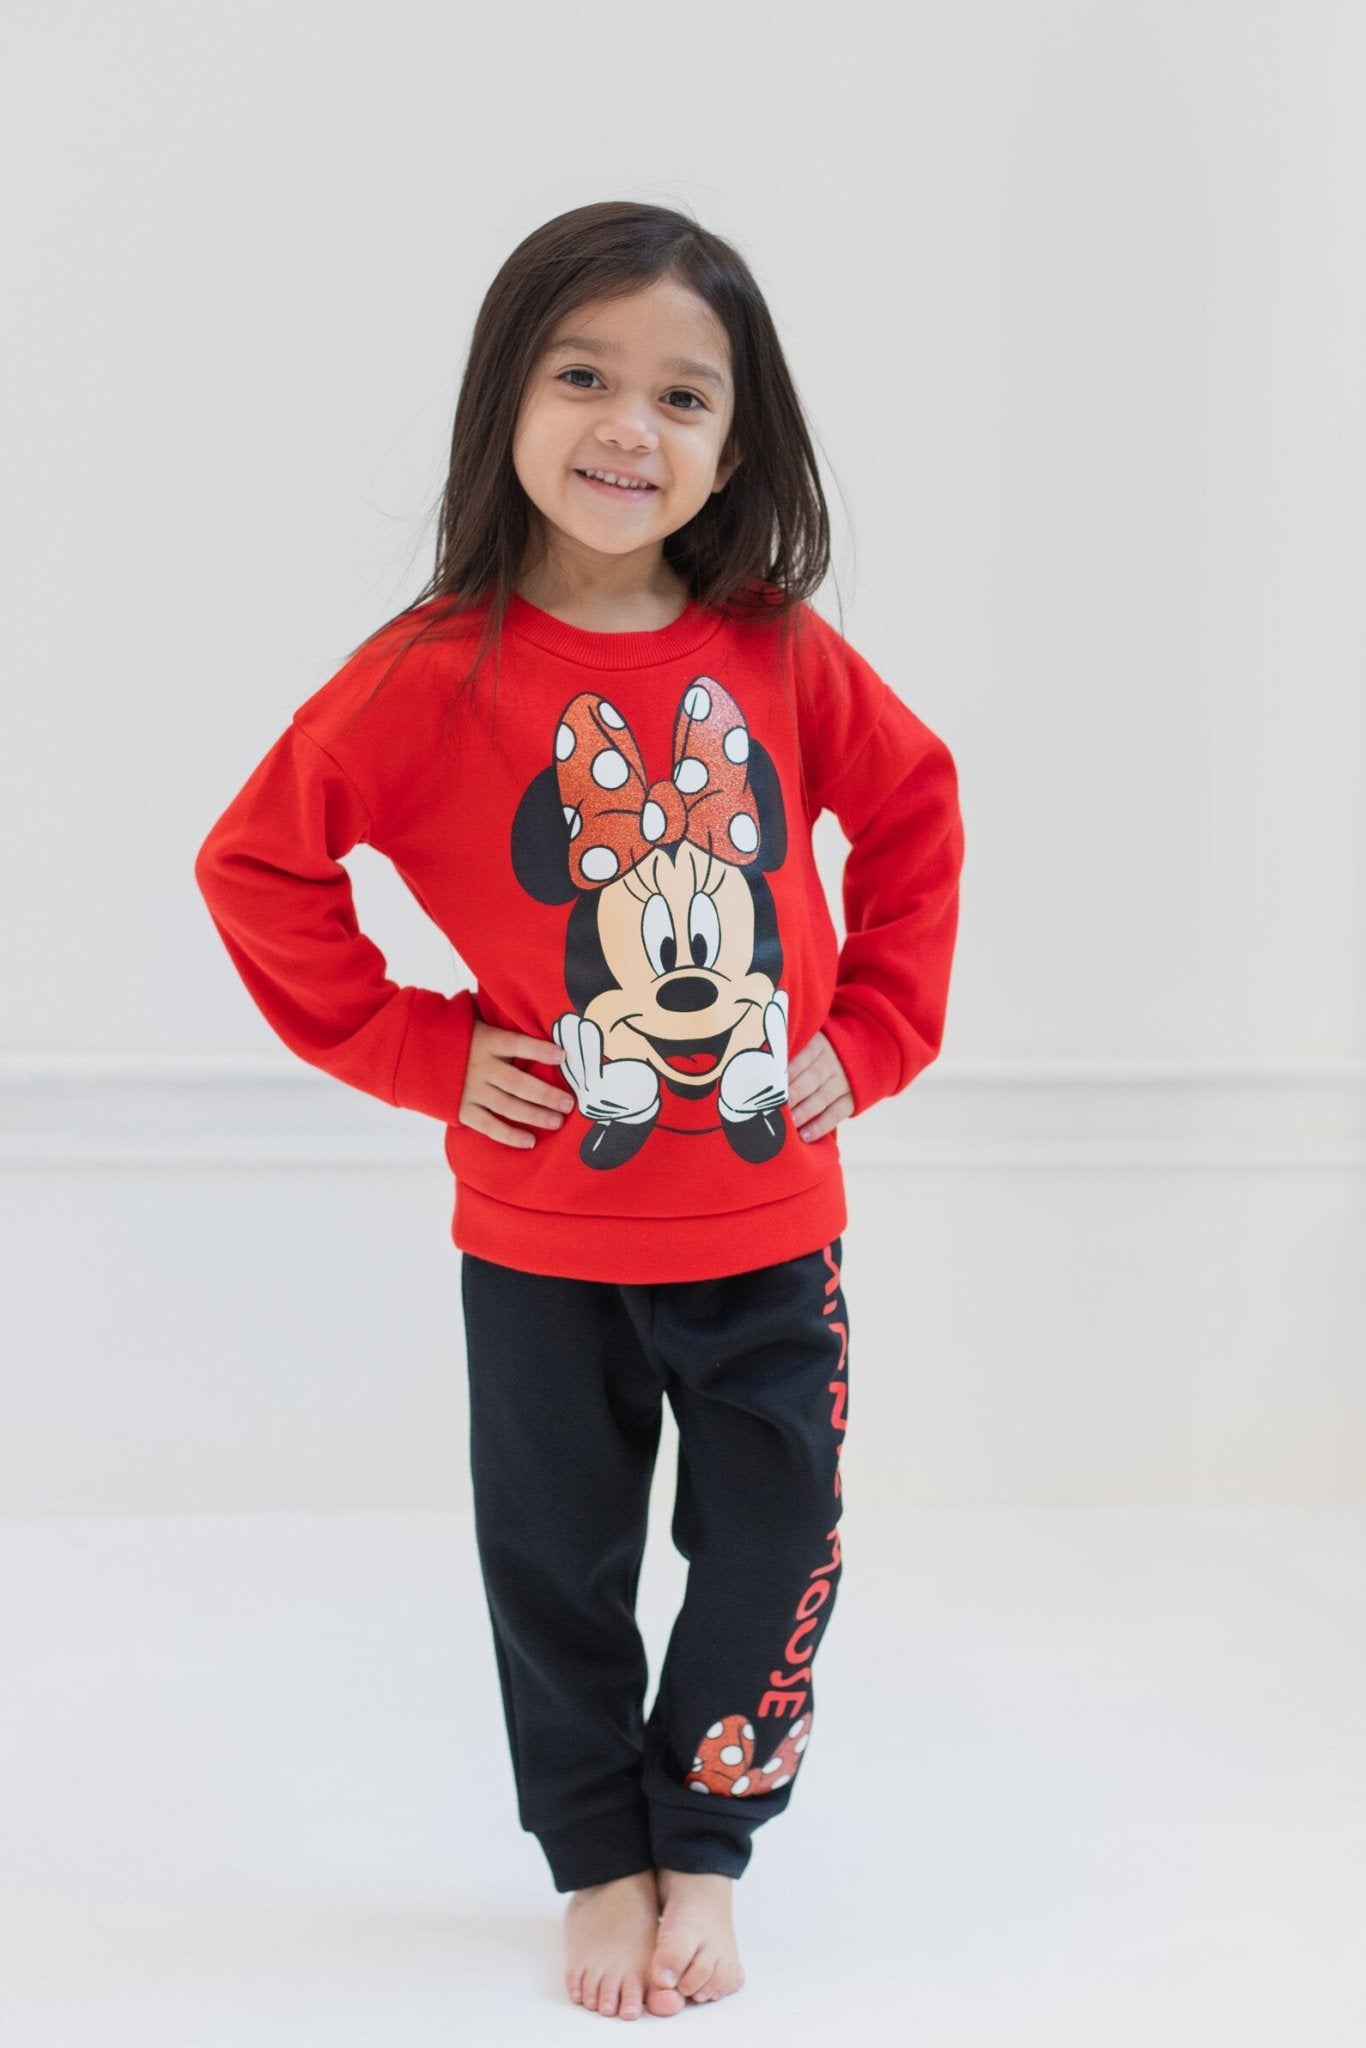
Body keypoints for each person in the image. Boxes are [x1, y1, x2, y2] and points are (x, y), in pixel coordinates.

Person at [194, 198, 965, 2021]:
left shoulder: (776, 651)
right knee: (556, 1563)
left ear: (735, 445)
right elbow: (257, 869)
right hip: (541, 1235)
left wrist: (875, 1027)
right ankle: (597, 1860)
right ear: (508, 401)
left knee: (770, 1541)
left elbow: (913, 809)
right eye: (584, 377)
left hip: (769, 1226)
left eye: (683, 396)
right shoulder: (427, 673)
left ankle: (709, 1837)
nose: (631, 427)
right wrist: (421, 1052)